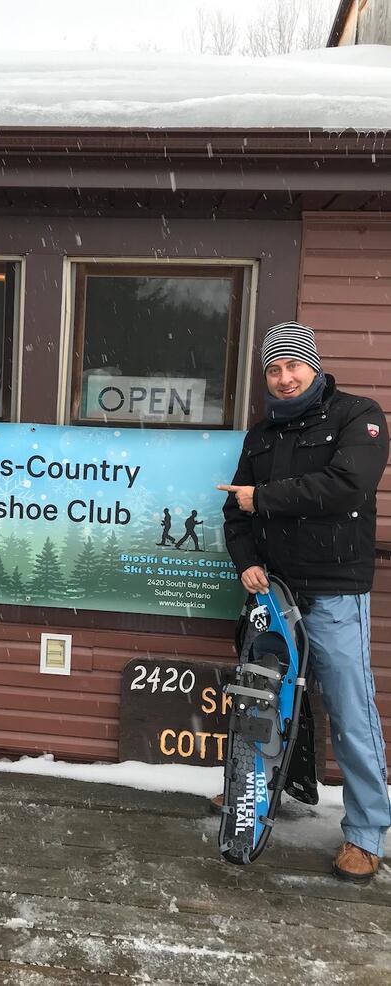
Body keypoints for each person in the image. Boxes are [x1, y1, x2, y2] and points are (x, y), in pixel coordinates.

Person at [217, 320, 390, 883]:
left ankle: (365, 835)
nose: (285, 378)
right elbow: (233, 513)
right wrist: (245, 561)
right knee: (260, 702)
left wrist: (263, 497)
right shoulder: (260, 436)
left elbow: (346, 486)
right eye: (274, 369)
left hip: (335, 591)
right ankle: (255, 802)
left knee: (350, 710)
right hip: (275, 594)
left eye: (294, 365)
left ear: (314, 367)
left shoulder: (357, 417)